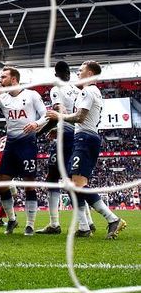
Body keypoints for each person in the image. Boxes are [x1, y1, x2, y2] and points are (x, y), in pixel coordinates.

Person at [46, 60, 126, 239]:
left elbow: (80, 117)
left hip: (85, 139)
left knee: (78, 184)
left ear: (90, 74)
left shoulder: (88, 90)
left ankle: (112, 218)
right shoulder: (92, 91)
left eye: (81, 70)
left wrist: (60, 116)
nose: (78, 73)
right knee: (74, 184)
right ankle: (84, 227)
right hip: (85, 138)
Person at [0, 66, 48, 236]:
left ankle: (30, 225)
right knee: (3, 182)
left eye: (3, 77)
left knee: (29, 185)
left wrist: (36, 124)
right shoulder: (3, 98)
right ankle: (12, 219)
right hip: (11, 145)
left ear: (13, 79)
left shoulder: (32, 95)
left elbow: (45, 115)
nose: (0, 80)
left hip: (27, 144)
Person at [36, 61, 96, 235]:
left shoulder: (57, 89)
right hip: (76, 135)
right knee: (73, 180)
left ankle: (55, 224)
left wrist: (38, 134)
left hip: (66, 137)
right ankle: (88, 222)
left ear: (56, 75)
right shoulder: (78, 91)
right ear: (69, 74)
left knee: (54, 179)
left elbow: (57, 115)